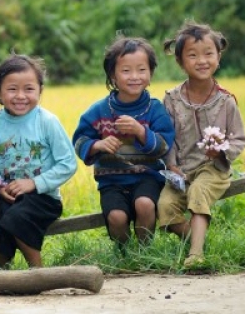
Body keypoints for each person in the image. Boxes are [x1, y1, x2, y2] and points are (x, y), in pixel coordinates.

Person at [158, 22, 245, 268]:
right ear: (180, 61)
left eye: (209, 53)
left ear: (219, 57)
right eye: (193, 55)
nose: (202, 60)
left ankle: (196, 256)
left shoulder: (226, 101)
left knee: (198, 191)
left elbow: (239, 138)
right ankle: (197, 241)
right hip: (181, 171)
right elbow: (168, 137)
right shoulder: (172, 99)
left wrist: (222, 151)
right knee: (164, 207)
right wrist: (172, 165)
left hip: (213, 169)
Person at [72, 37, 175, 248]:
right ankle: (125, 254)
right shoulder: (99, 111)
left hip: (147, 177)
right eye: (126, 71)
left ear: (150, 74)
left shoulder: (155, 109)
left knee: (145, 205)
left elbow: (164, 146)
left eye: (141, 70)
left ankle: (145, 250)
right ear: (113, 75)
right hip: (112, 182)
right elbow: (79, 140)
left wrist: (140, 131)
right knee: (117, 218)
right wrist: (97, 145)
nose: (134, 76)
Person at [0, 54, 78, 268]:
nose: (20, 96)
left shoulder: (46, 121)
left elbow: (68, 164)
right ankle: (1, 274)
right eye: (12, 89)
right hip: (6, 195)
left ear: (40, 91)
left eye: (28, 89)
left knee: (18, 217)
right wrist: (0, 186)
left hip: (43, 198)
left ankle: (37, 270)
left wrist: (34, 183)